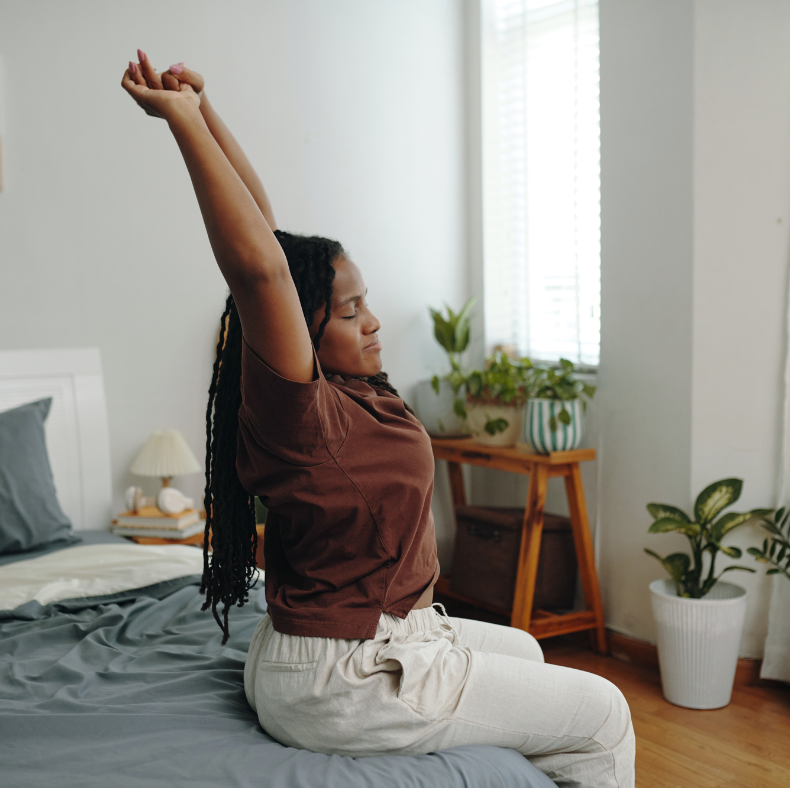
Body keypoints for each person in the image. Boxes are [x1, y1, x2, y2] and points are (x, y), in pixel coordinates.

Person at [121, 50, 635, 787]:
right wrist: (178, 128)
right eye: (351, 311)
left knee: (524, 649)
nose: (373, 323)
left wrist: (205, 112)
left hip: (357, 640)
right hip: (345, 674)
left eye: (367, 303)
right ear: (301, 329)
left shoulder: (340, 394)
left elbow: (271, 245)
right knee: (606, 712)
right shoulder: (301, 411)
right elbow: (260, 271)